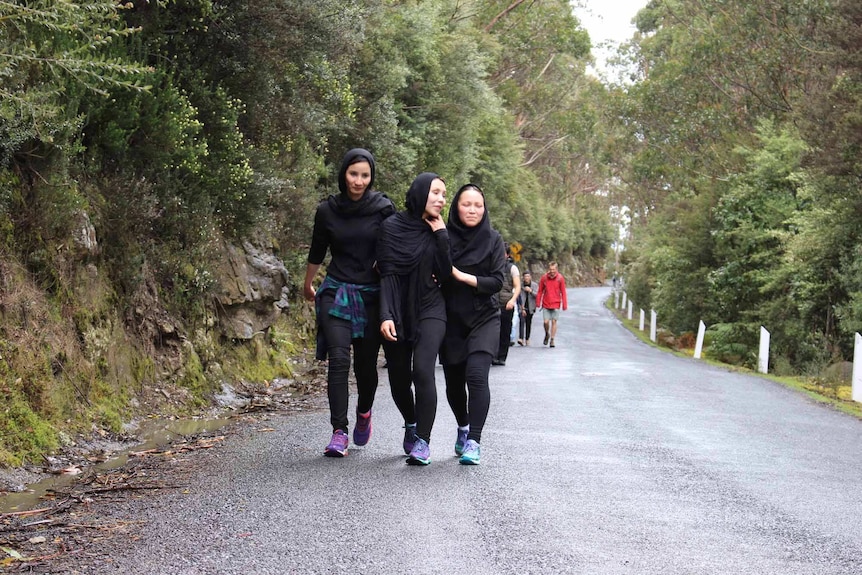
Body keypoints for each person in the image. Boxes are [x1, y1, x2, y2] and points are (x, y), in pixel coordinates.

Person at [304, 148, 396, 457]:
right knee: (339, 361)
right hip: (336, 291)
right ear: (344, 174)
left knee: (365, 367)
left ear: (371, 178)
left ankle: (364, 413)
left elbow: (395, 249)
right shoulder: (327, 210)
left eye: (364, 175)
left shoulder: (383, 208)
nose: (358, 181)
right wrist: (308, 284)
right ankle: (339, 431)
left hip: (370, 296)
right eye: (353, 174)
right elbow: (317, 251)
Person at [378, 172, 451, 466]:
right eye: (435, 192)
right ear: (420, 193)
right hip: (396, 308)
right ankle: (410, 422)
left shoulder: (439, 229)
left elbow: (445, 274)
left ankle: (423, 441)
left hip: (432, 307)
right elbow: (385, 274)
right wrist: (385, 314)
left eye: (444, 194)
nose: (441, 199)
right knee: (398, 377)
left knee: (422, 370)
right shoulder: (390, 228)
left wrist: (442, 236)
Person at [440, 184, 506, 465]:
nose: (472, 210)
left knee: (477, 376)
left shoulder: (493, 240)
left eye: (478, 205)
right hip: (451, 318)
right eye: (466, 204)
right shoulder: (442, 237)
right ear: (456, 207)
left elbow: (497, 282)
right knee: (454, 383)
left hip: (484, 316)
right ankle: (463, 426)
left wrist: (462, 276)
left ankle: (474, 441)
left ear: (484, 209)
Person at [492, 244, 521, 366]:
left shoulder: (512, 268)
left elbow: (518, 286)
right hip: (493, 303)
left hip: (506, 303)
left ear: (507, 254)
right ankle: (493, 355)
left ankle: (502, 357)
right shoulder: (492, 265)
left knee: (505, 330)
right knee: (492, 331)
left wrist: (512, 300)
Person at [535, 262, 567, 347]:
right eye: (550, 269)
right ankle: (547, 334)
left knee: (554, 321)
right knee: (546, 322)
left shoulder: (560, 278)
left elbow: (563, 292)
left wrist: (564, 304)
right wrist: (538, 302)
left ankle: (552, 339)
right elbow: (540, 291)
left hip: (556, 303)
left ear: (556, 269)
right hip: (546, 303)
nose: (552, 271)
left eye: (553, 269)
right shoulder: (544, 278)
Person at [517, 271, 538, 345]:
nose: (527, 278)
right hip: (522, 306)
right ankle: (521, 338)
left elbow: (537, 295)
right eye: (525, 276)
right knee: (522, 321)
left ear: (530, 277)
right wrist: (522, 308)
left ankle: (527, 338)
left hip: (530, 306)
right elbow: (518, 297)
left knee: (528, 323)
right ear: (523, 278)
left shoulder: (534, 285)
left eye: (528, 276)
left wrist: (531, 291)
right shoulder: (520, 285)